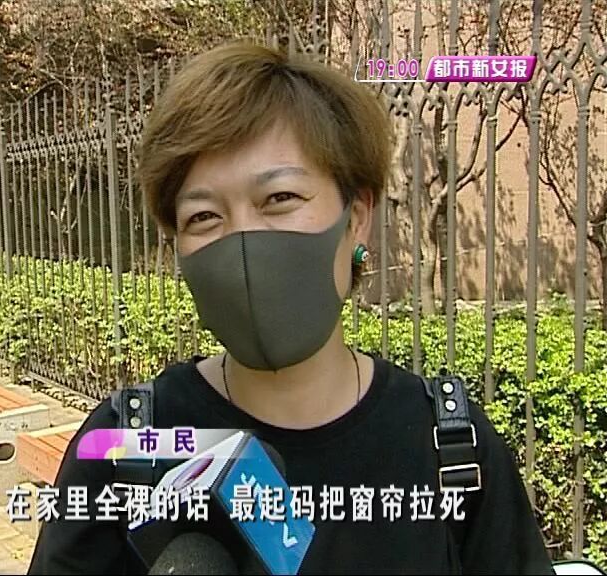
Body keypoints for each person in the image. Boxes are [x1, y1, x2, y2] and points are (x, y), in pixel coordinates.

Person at [28, 41, 554, 575]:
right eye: (204, 216)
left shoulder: (451, 448)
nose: (244, 242)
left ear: (356, 219)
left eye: (280, 199)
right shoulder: (124, 448)